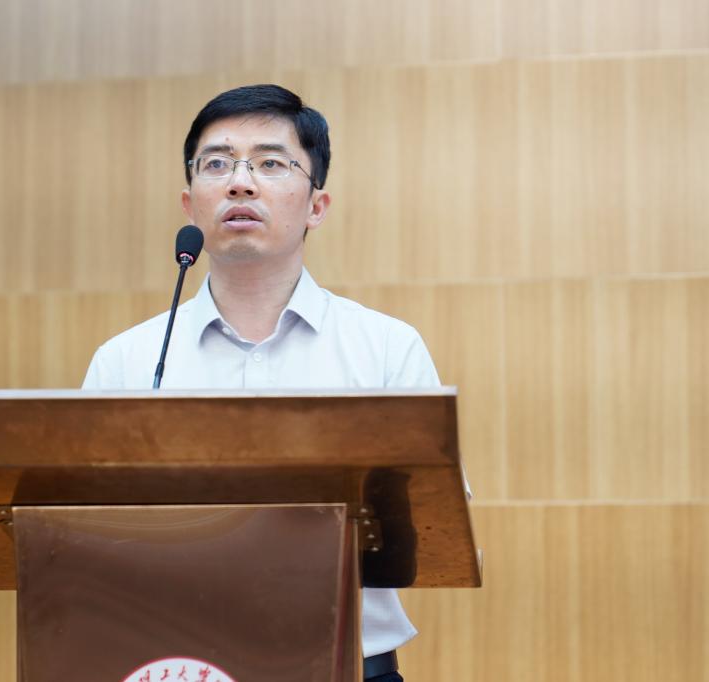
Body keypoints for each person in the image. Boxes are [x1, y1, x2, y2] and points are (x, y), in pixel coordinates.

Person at [83, 84, 441, 682]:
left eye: (271, 164)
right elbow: (83, 535)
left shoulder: (386, 349)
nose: (240, 183)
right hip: (174, 666)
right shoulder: (126, 362)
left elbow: (432, 524)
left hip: (350, 667)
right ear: (189, 203)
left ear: (317, 206)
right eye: (216, 164)